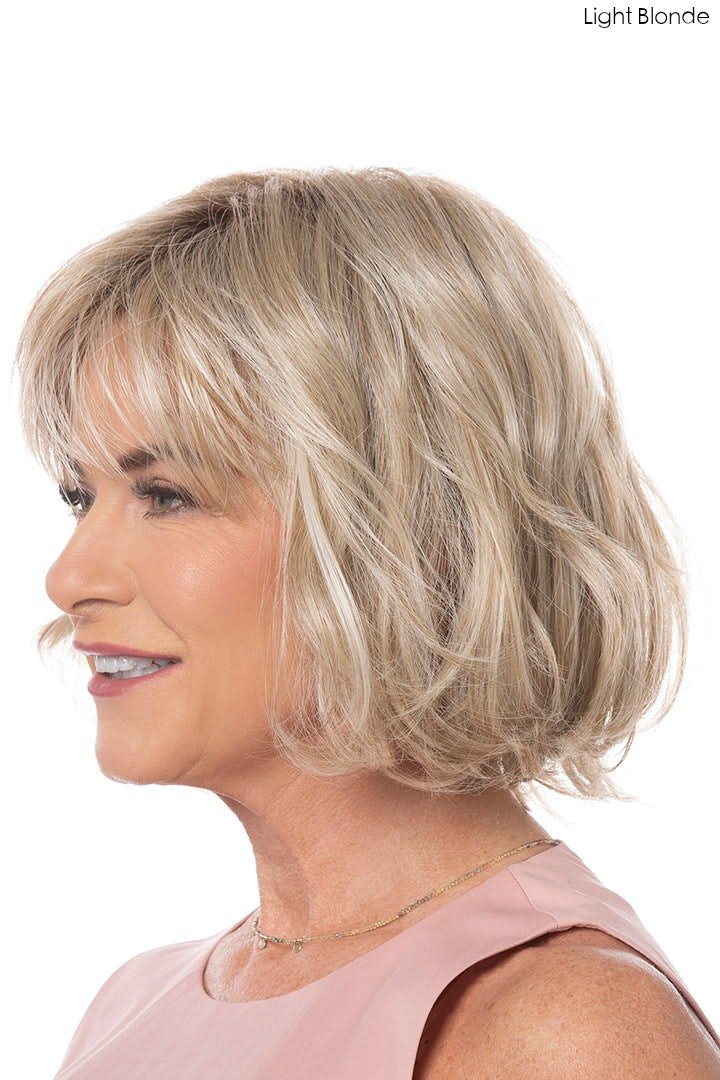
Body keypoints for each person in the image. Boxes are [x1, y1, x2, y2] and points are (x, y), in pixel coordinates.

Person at [14, 166, 720, 1079]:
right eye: (81, 496)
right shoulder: (131, 1006)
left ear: (402, 528)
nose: (69, 578)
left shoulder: (559, 1032)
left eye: (167, 493)